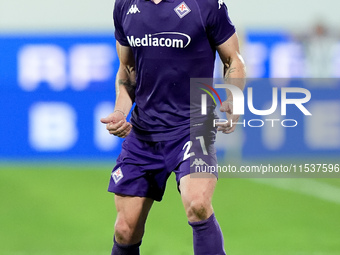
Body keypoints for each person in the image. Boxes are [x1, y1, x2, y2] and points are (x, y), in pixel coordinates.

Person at [100, 0, 246, 254]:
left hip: (194, 124)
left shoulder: (205, 4)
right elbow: (127, 69)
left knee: (198, 203)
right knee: (125, 229)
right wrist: (121, 111)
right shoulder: (125, 5)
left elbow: (233, 58)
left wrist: (235, 97)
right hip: (145, 132)